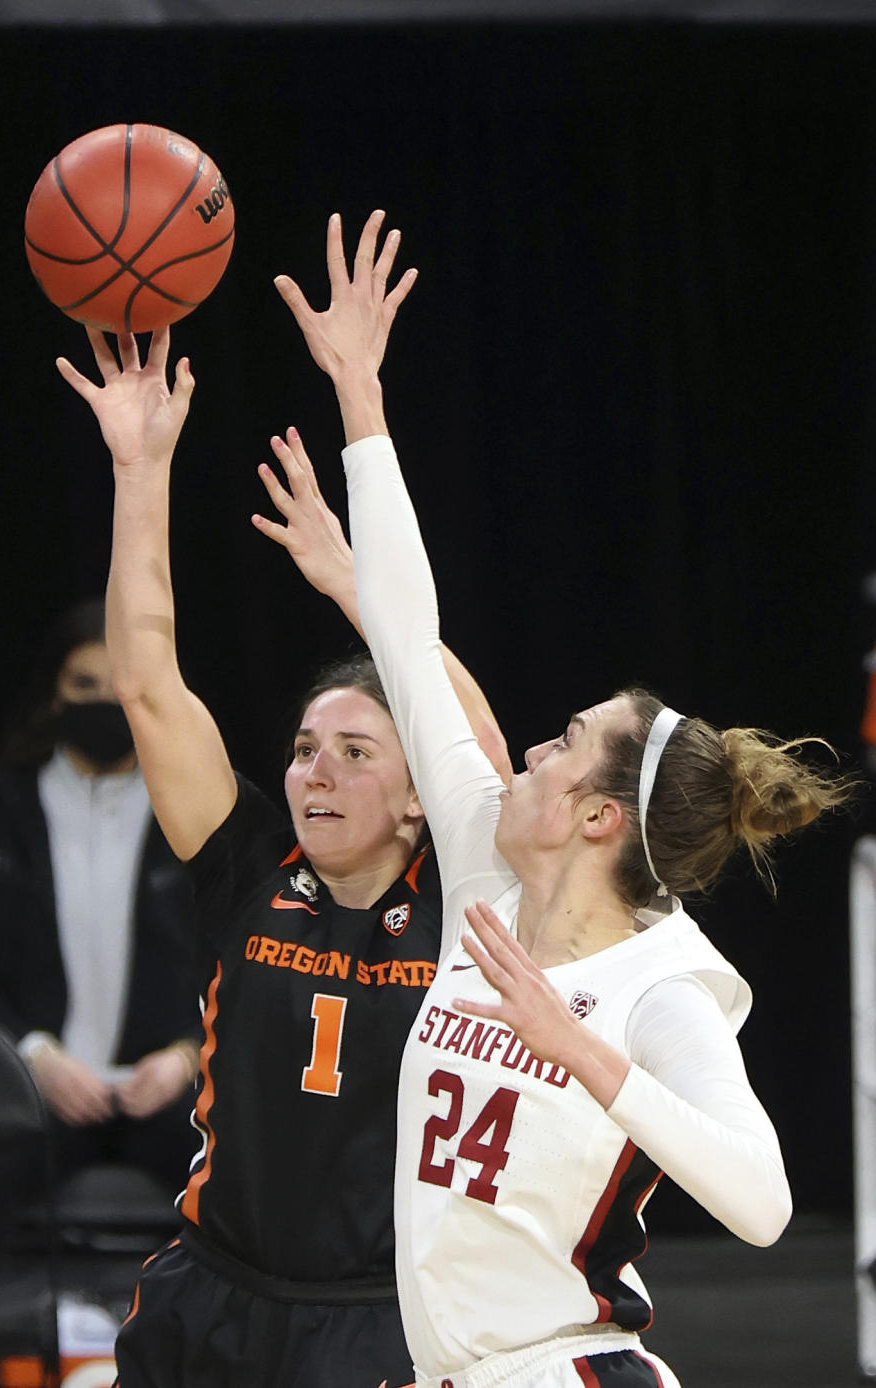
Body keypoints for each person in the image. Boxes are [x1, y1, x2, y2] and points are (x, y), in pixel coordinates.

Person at [274, 208, 853, 1388]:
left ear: (598, 816)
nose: (528, 746)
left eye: (565, 742)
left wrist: (586, 1055)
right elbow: (407, 631)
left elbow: (765, 1204)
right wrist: (360, 394)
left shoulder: (660, 989)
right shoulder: (492, 876)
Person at [54, 325, 510, 1388]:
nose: (317, 772)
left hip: (377, 1319)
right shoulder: (250, 861)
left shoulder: (465, 890)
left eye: (357, 753)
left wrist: (363, 588)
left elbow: (481, 746)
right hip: (210, 1294)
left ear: (415, 795)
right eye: (307, 748)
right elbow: (149, 680)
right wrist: (140, 468)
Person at [0, 599, 201, 1291]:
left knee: (249, 1184)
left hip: (167, 1089)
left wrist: (187, 1055)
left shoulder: (199, 814)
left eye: (119, 687)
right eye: (84, 687)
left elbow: (249, 956)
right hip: (36, 1090)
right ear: (54, 693)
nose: (103, 703)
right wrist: (35, 1056)